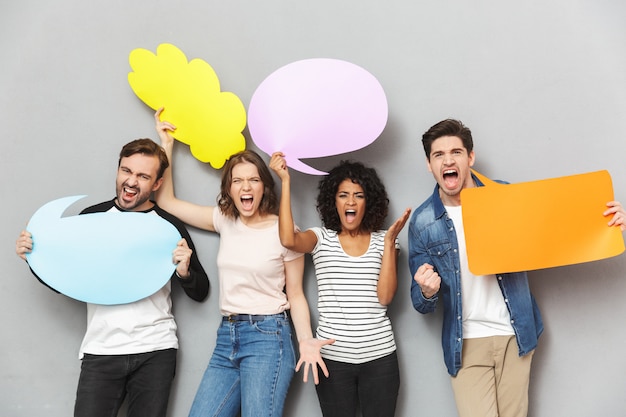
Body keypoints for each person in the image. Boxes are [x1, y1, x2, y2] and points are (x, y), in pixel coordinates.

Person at [408, 118, 626, 417]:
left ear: (470, 157)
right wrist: (426, 291)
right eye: (439, 155)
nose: (448, 160)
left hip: (516, 333)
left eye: (456, 152)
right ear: (429, 164)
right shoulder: (422, 222)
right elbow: (420, 303)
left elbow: (554, 232)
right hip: (466, 343)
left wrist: (605, 222)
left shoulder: (505, 197)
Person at [15, 138, 210, 417]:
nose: (131, 181)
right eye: (126, 171)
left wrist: (185, 271)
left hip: (156, 349)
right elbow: (66, 280)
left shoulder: (169, 226)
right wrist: (34, 258)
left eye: (143, 176)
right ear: (118, 170)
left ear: (156, 184)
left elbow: (200, 291)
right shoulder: (91, 218)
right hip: (101, 349)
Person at [154, 108, 329, 417]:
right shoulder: (224, 219)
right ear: (229, 189)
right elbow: (167, 202)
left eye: (253, 180)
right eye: (237, 181)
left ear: (264, 187)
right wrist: (167, 147)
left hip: (268, 338)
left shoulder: (285, 232)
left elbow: (297, 294)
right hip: (227, 335)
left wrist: (306, 341)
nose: (245, 187)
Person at [270, 152, 411, 417]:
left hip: (380, 358)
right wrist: (285, 182)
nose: (351, 201)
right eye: (343, 195)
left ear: (368, 202)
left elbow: (385, 297)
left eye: (359, 195)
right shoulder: (320, 238)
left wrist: (390, 242)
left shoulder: (385, 240)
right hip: (333, 361)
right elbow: (288, 240)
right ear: (333, 201)